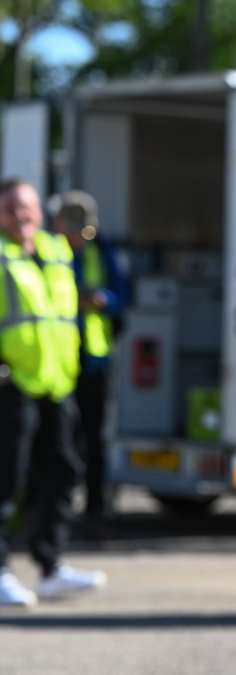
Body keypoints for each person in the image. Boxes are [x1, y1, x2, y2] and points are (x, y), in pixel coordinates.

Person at [0, 179, 108, 608]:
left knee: (64, 471)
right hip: (12, 384)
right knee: (6, 481)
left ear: (40, 213)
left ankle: (50, 568)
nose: (21, 216)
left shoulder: (56, 252)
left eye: (26, 207)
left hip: (56, 382)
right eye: (10, 208)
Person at [49, 191, 128, 541]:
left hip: (95, 360)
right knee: (57, 443)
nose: (81, 237)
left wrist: (101, 300)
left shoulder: (100, 248)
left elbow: (122, 296)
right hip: (57, 360)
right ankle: (47, 515)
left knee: (96, 442)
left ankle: (96, 514)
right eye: (74, 229)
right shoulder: (49, 251)